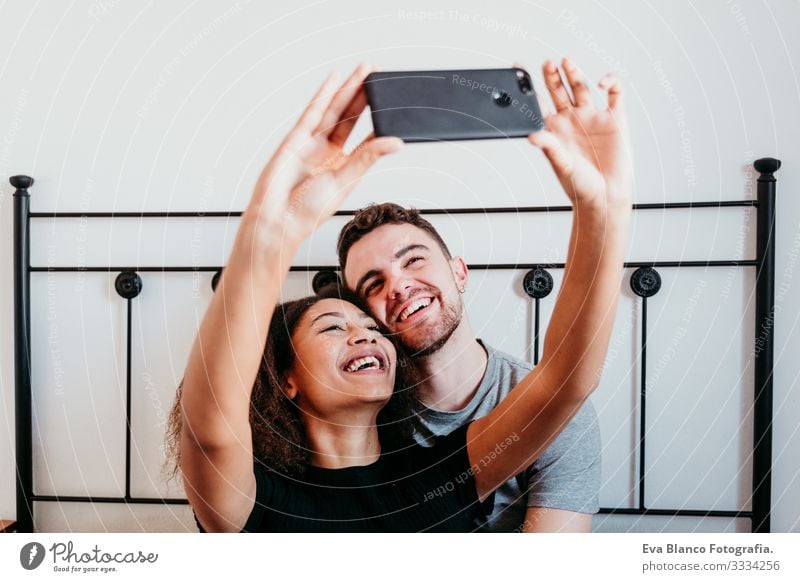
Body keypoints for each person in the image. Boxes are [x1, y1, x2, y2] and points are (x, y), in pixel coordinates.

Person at [166, 62, 632, 532]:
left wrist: (603, 211)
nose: (365, 335)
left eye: (371, 329)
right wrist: (271, 233)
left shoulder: (435, 479)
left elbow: (566, 380)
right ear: (286, 379)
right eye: (333, 326)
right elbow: (209, 433)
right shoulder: (254, 498)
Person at [336, 57, 632, 532]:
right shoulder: (355, 414)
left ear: (459, 272)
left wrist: (602, 209)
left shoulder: (553, 410)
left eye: (414, 259)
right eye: (373, 284)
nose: (399, 286)